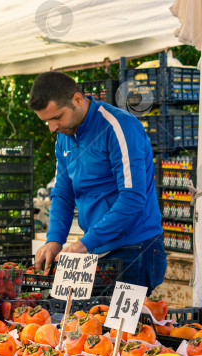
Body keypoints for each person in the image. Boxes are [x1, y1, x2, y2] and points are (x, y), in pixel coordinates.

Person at [30, 71, 167, 291]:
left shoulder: (118, 126)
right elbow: (62, 195)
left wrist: (85, 243)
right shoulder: (63, 139)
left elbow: (132, 197)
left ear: (77, 99)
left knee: (121, 325)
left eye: (56, 117)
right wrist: (54, 239)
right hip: (95, 248)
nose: (52, 127)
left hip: (135, 249)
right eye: (47, 121)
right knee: (84, 321)